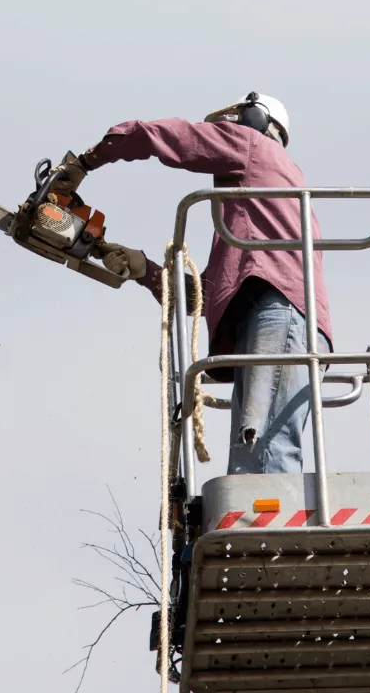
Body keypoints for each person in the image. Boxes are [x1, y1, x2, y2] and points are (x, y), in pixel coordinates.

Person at [55, 93, 331, 475]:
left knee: (265, 448)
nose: (226, 130)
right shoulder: (255, 216)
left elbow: (170, 137)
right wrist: (143, 270)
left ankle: (265, 534)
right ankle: (256, 531)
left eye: (234, 121)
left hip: (278, 312)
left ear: (257, 120)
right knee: (253, 450)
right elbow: (201, 297)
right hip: (277, 316)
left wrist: (87, 161)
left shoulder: (253, 147)